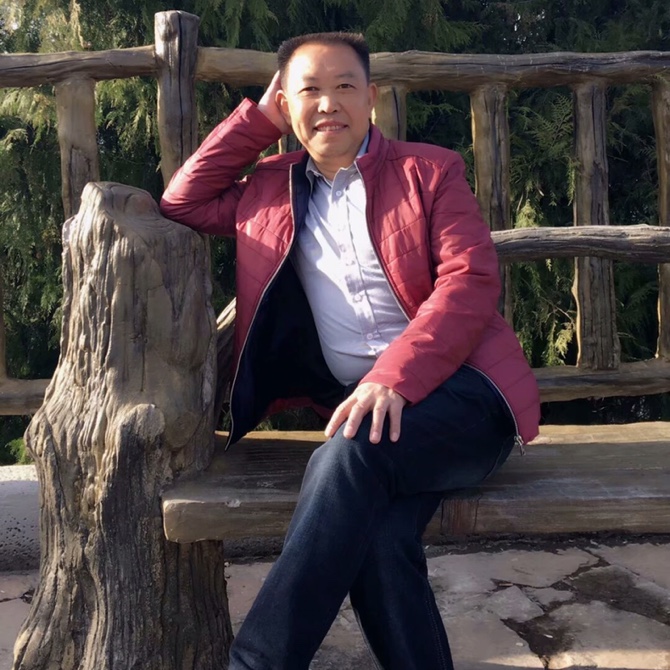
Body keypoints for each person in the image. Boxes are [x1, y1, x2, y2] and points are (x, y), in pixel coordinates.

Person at [160, 31, 540, 670]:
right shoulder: (269, 188)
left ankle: (256, 663)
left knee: (347, 455)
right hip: (369, 423)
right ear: (286, 102)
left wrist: (393, 377)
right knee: (380, 536)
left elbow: (469, 282)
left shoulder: (430, 171)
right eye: (309, 90)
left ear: (372, 98)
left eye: (344, 87)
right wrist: (259, 121)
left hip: (467, 398)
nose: (328, 103)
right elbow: (183, 200)